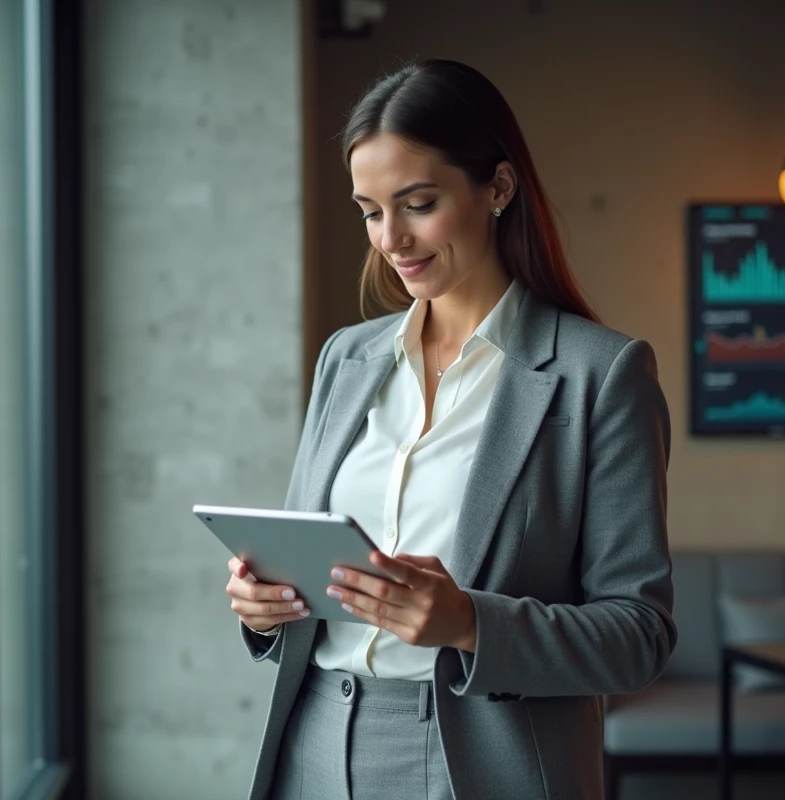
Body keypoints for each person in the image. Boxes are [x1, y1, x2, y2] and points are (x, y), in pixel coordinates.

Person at [224, 58, 676, 800]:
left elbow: (639, 636)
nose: (391, 239)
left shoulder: (602, 375)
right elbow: (310, 568)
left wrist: (472, 622)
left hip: (479, 763)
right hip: (311, 744)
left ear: (497, 188)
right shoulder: (346, 358)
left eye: (418, 203)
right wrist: (264, 608)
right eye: (370, 210)